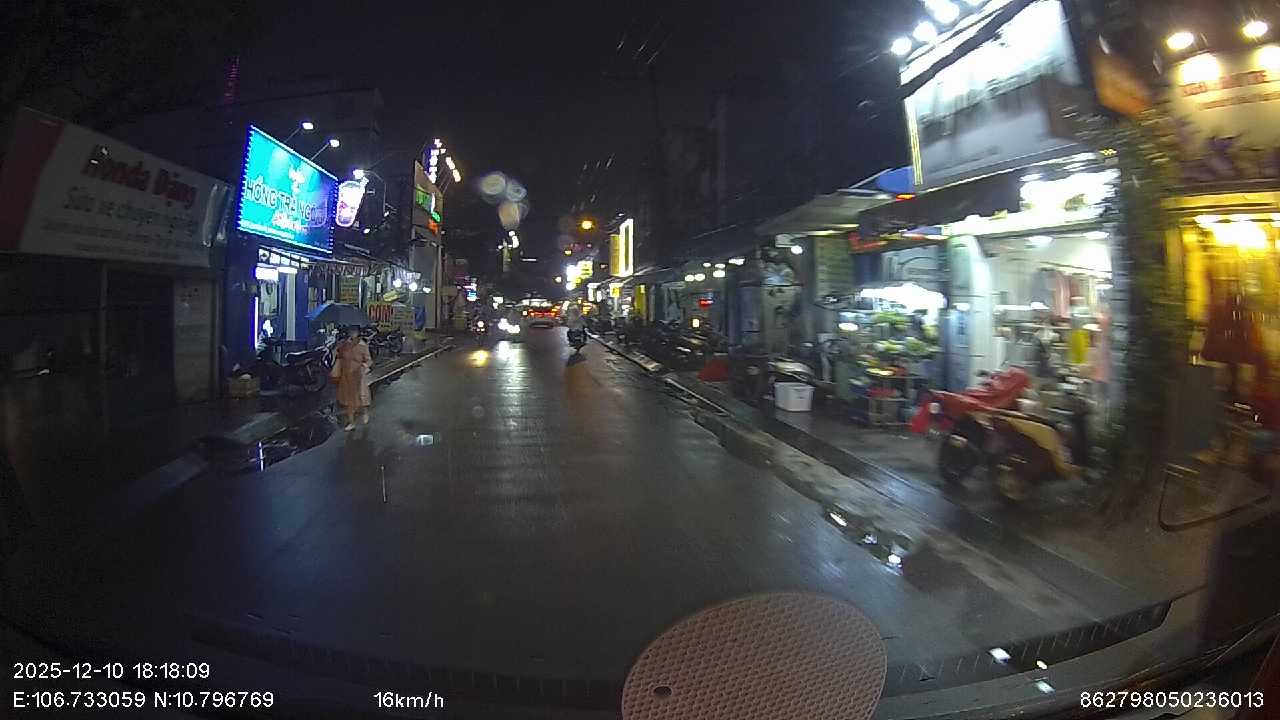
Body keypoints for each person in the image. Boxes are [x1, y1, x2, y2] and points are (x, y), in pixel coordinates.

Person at [336, 325, 373, 430]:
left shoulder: (362, 345)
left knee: (361, 398)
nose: (352, 334)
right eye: (350, 332)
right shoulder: (344, 344)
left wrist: (364, 366)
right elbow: (339, 355)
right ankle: (351, 422)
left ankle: (365, 412)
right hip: (347, 376)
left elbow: (369, 360)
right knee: (349, 401)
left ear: (357, 333)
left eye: (354, 332)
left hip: (359, 376)